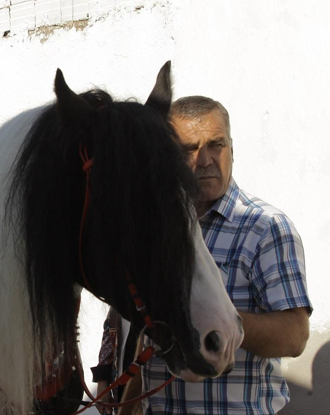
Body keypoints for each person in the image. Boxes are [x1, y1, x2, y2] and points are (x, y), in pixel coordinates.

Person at [107, 96, 312, 415]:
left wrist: (209, 316)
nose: (205, 160)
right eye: (189, 149)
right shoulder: (157, 231)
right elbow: (151, 342)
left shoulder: (265, 227)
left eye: (216, 145)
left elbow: (295, 336)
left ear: (232, 148)